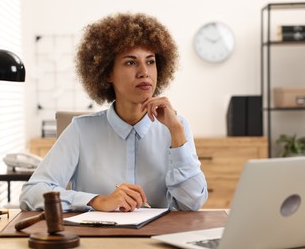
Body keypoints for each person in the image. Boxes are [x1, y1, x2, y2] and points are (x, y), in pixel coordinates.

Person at [19, 12, 208, 212]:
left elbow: (192, 203)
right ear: (107, 73)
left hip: (156, 241)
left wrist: (176, 132)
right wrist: (96, 201)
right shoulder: (81, 131)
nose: (144, 71)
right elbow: (32, 193)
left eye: (150, 61)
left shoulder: (177, 127)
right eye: (131, 62)